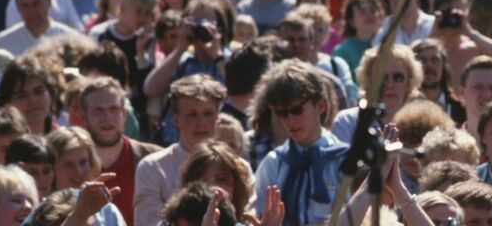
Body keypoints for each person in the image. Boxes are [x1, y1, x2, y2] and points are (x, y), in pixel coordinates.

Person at [253, 59, 348, 225]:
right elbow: (259, 214)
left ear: (320, 106)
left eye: (297, 110)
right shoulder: (274, 163)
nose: (290, 120)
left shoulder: (344, 160)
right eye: (282, 113)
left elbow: (359, 216)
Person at [134, 75, 230, 226]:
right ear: (176, 120)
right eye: (192, 114)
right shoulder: (152, 168)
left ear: (218, 117)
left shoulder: (236, 167)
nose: (201, 122)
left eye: (208, 113)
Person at [0, 0, 78, 55]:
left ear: (49, 1)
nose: (31, 11)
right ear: (18, 7)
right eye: (25, 5)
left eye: (36, 3)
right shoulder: (2, 44)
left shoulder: (70, 40)